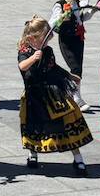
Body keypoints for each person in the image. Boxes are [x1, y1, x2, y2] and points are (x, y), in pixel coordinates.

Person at [16, 16, 91, 173]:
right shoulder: (25, 51)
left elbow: (53, 67)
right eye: (45, 36)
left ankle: (78, 158)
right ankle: (33, 154)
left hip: (53, 93)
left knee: (68, 120)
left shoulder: (47, 51)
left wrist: (70, 76)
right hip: (34, 95)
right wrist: (33, 58)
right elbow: (22, 66)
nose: (47, 40)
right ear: (32, 37)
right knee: (34, 126)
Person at [51, 0, 95, 112]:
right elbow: (53, 22)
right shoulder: (60, 5)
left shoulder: (76, 3)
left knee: (78, 68)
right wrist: (61, 17)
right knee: (75, 68)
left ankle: (72, 94)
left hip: (78, 39)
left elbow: (80, 18)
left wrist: (93, 11)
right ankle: (77, 98)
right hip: (67, 41)